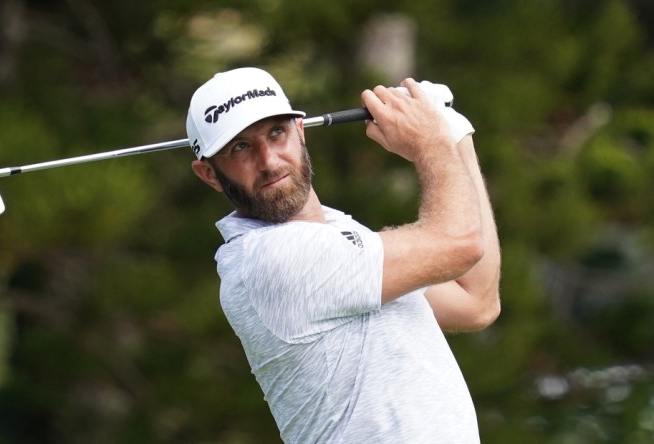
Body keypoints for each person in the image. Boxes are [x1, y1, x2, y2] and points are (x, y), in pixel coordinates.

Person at [186, 67, 501, 443]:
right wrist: (432, 142)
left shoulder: (342, 235)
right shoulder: (270, 259)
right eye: (240, 147)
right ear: (208, 173)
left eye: (276, 132)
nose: (269, 160)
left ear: (299, 131)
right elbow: (459, 243)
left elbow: (475, 301)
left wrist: (456, 137)